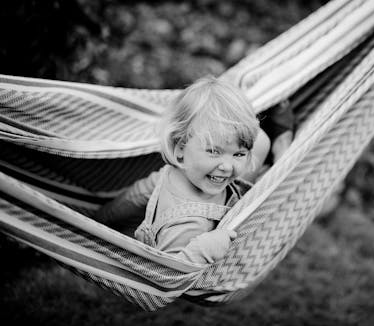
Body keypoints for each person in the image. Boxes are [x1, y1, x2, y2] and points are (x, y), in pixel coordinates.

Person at [95, 76, 270, 264]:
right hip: (209, 252)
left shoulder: (174, 172)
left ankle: (276, 148)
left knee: (262, 141)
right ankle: (280, 144)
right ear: (180, 149)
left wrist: (100, 219)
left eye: (239, 154)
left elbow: (137, 194)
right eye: (213, 151)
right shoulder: (187, 226)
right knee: (263, 145)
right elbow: (167, 276)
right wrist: (203, 250)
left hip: (223, 190)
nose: (227, 166)